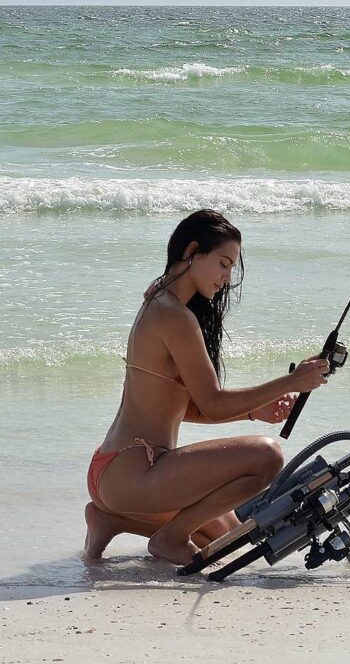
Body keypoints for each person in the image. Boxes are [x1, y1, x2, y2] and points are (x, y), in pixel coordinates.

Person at [84, 209, 329, 566]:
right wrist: (293, 381)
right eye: (223, 264)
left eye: (231, 269)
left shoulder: (159, 300)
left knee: (230, 538)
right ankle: (168, 537)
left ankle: (111, 518)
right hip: (136, 472)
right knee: (267, 456)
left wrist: (251, 412)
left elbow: (184, 406)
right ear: (192, 251)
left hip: (117, 472)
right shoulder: (174, 316)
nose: (227, 278)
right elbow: (213, 403)